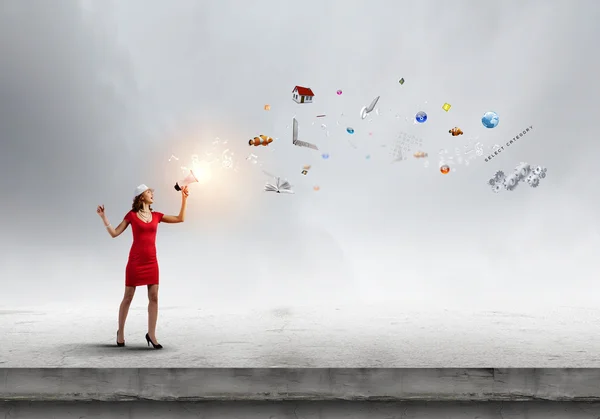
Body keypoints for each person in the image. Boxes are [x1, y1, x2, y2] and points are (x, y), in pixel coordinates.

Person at [96, 184, 189, 349]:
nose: (152, 193)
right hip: (135, 262)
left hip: (151, 262)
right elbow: (114, 233)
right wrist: (104, 218)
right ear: (141, 197)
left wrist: (184, 198)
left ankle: (151, 334)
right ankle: (121, 332)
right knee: (128, 296)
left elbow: (180, 218)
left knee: (154, 297)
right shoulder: (131, 216)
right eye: (148, 192)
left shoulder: (156, 216)